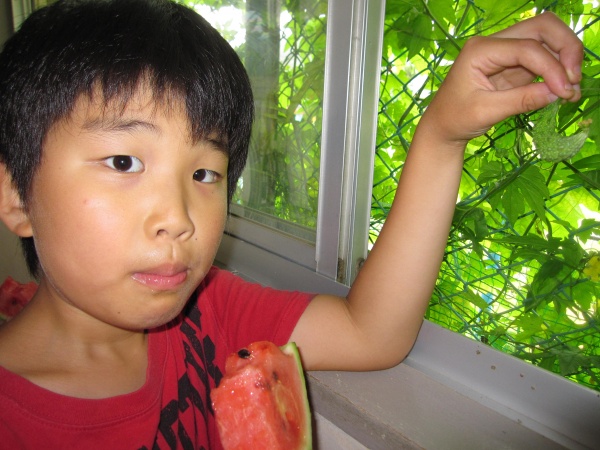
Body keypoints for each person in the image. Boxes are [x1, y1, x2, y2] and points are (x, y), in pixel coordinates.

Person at [0, 0, 583, 448]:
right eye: (124, 163)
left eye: (204, 173)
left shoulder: (206, 312)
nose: (178, 219)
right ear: (16, 197)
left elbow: (371, 332)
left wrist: (441, 136)